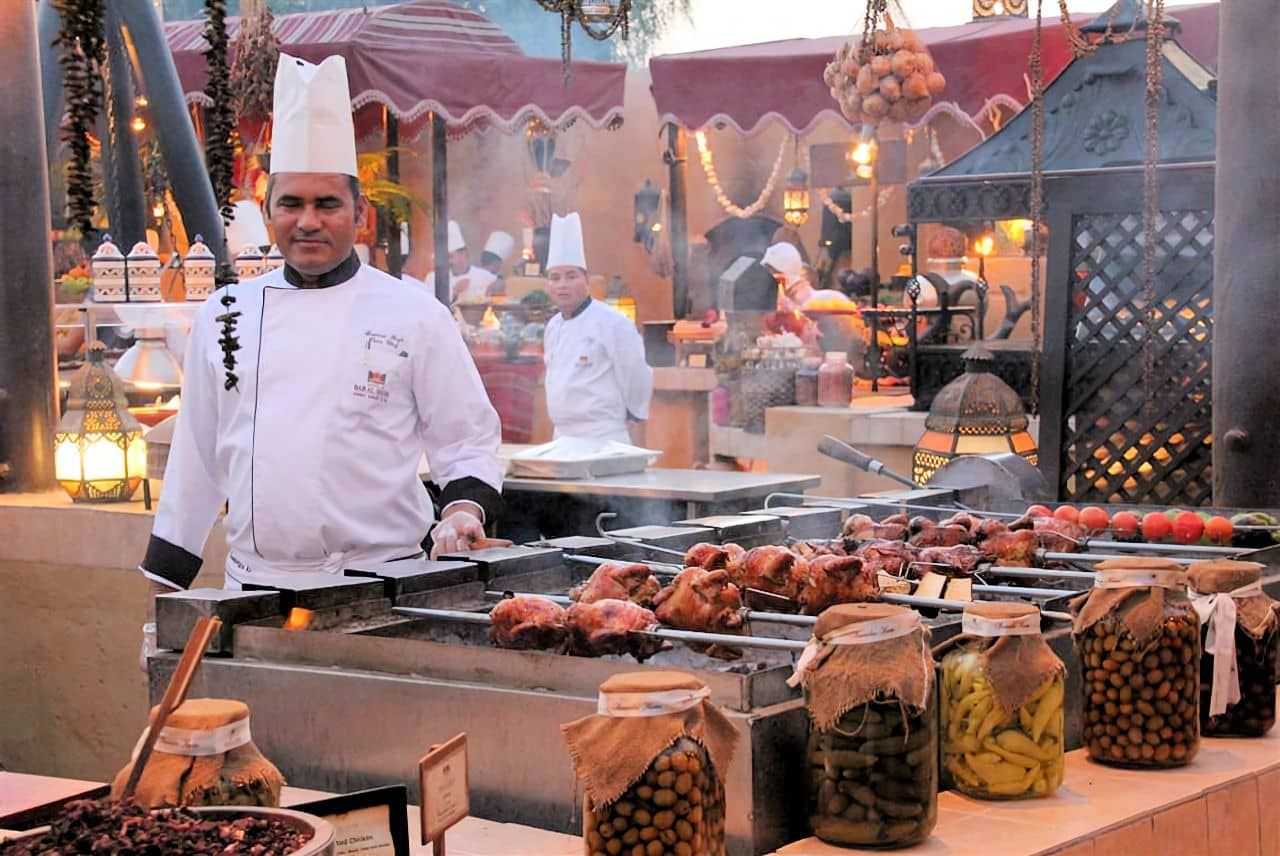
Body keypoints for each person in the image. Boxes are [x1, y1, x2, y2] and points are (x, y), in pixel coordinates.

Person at [139, 54, 503, 611]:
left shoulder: (413, 313)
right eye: (291, 203)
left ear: (359, 213)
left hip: (384, 590)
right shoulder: (226, 313)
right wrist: (162, 593)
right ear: (268, 211)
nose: (308, 220)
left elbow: (466, 438)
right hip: (256, 591)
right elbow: (197, 458)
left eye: (327, 203)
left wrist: (460, 511)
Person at [543, 212, 653, 445]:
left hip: (604, 437)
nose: (562, 285)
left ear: (586, 280)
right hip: (561, 439)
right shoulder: (552, 327)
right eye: (555, 278)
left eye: (571, 276)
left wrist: (634, 413)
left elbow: (636, 372)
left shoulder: (614, 323)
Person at [416, 221, 496, 304]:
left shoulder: (485, 276)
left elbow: (498, 289)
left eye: (451, 257)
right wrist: (454, 292)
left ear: (464, 254)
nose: (450, 262)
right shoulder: (432, 278)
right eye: (447, 258)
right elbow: (430, 305)